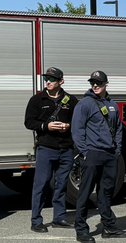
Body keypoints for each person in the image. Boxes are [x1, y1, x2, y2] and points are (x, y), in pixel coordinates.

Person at [71, 70, 126, 242]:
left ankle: (109, 227)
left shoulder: (112, 104)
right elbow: (77, 130)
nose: (95, 85)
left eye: (99, 83)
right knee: (85, 192)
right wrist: (85, 152)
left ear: (106, 84)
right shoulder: (85, 104)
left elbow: (118, 128)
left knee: (106, 193)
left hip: (110, 154)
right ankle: (81, 229)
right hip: (92, 154)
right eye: (92, 83)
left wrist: (117, 150)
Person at [23, 66, 75, 232]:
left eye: (52, 79)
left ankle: (59, 217)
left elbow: (79, 123)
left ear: (61, 82)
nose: (48, 82)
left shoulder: (71, 100)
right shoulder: (37, 100)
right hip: (46, 148)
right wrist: (47, 126)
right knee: (41, 185)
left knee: (61, 185)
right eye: (46, 79)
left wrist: (69, 126)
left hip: (66, 149)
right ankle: (36, 221)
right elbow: (29, 122)